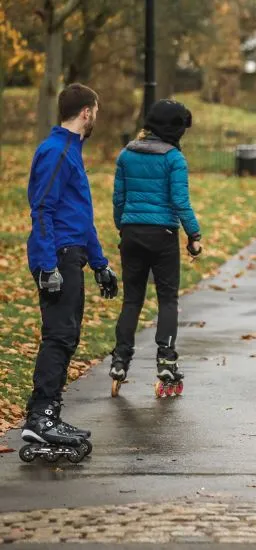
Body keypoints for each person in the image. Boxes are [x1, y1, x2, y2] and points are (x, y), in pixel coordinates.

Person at [21, 83, 118, 459]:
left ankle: (47, 414)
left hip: (70, 252)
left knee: (67, 336)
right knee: (59, 336)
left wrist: (100, 263)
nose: (96, 117)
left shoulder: (70, 151)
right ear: (87, 113)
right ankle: (41, 417)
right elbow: (42, 208)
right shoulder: (57, 151)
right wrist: (47, 266)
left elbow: (80, 217)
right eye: (96, 111)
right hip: (57, 256)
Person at [109, 99, 201, 398]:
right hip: (162, 234)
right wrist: (194, 235)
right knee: (167, 299)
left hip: (132, 233)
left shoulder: (126, 154)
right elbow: (180, 202)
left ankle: (120, 360)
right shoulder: (173, 158)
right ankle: (166, 359)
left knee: (132, 300)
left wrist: (123, 226)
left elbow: (118, 199)